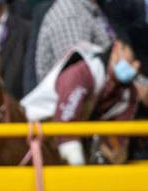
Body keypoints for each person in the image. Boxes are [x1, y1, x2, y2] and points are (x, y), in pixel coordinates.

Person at [22, 24, 148, 167]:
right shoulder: (84, 72)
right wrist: (80, 177)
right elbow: (65, 129)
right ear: (118, 46)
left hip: (65, 144)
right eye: (132, 60)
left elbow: (117, 142)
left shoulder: (128, 94)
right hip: (30, 133)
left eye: (141, 66)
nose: (135, 68)